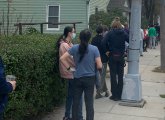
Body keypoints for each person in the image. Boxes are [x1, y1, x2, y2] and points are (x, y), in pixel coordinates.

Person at [60, 29, 102, 120]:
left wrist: (70, 69)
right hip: (90, 79)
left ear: (79, 38)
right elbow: (99, 65)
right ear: (89, 38)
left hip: (77, 78)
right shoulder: (94, 49)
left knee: (76, 102)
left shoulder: (74, 48)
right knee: (89, 103)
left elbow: (62, 58)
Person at [57, 26, 83, 120]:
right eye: (73, 32)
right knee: (75, 95)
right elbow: (70, 59)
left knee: (71, 94)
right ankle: (72, 116)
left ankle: (68, 115)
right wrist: (73, 69)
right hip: (70, 72)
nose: (74, 33)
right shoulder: (64, 45)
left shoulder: (68, 43)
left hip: (71, 71)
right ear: (69, 33)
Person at [103, 17, 129, 101]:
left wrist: (107, 50)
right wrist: (126, 51)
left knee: (113, 76)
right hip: (121, 56)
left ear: (113, 25)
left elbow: (103, 42)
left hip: (112, 56)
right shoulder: (124, 33)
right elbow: (130, 41)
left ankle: (114, 95)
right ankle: (119, 94)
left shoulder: (110, 33)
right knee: (120, 76)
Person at [91, 25, 110, 99]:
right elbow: (106, 49)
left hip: (95, 59)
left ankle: (106, 91)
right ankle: (99, 92)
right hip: (103, 60)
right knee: (102, 76)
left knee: (99, 76)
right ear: (102, 31)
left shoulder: (93, 39)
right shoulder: (104, 39)